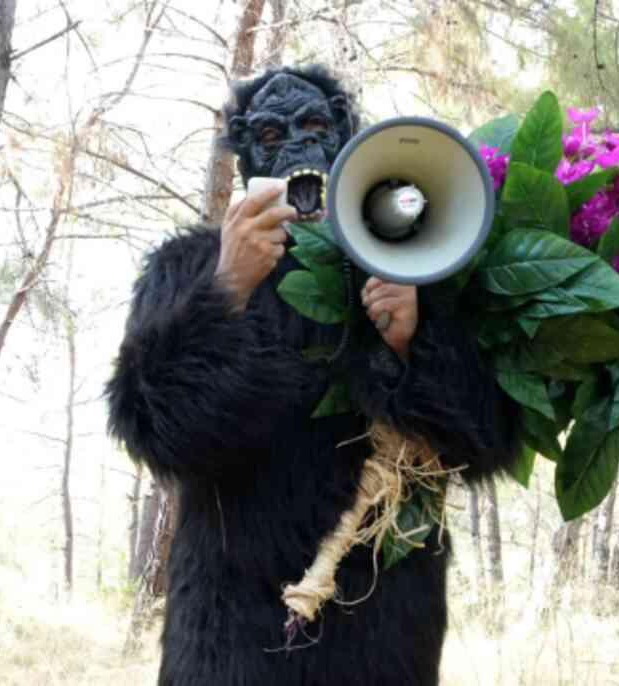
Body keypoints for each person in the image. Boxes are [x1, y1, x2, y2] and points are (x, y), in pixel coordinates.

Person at [106, 64, 518, 686]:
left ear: (347, 136)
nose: (299, 147)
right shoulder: (186, 268)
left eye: (315, 126)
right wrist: (226, 289)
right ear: (244, 153)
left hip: (383, 621)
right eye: (273, 136)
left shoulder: (418, 258)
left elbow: (486, 443)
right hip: (227, 622)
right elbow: (154, 432)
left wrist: (413, 339)